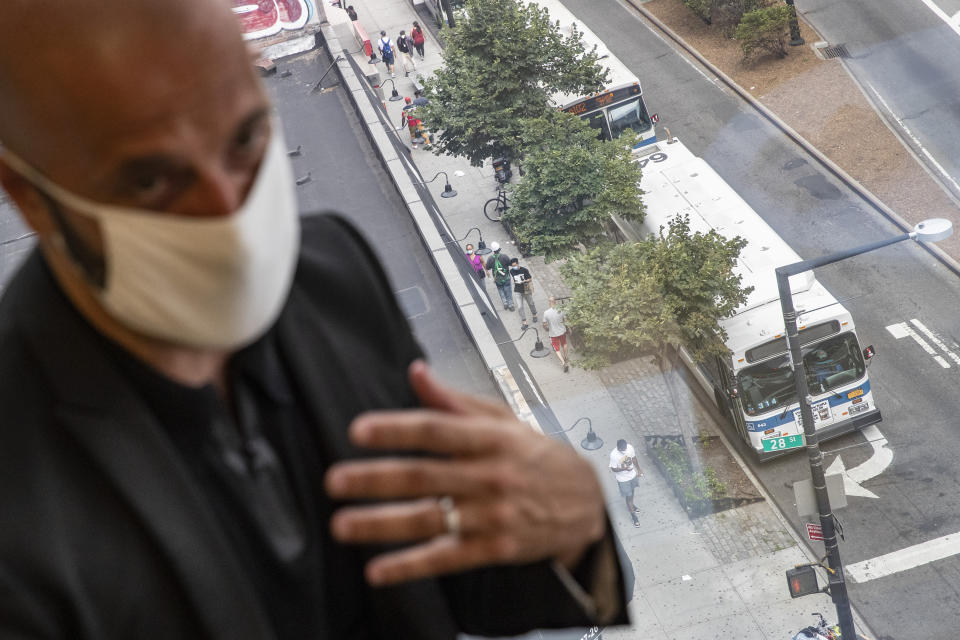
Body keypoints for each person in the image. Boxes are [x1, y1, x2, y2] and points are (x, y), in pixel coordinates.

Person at [0, 1, 630, 638]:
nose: (228, 215)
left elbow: (458, 582)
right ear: (29, 194)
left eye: (244, 137)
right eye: (149, 179)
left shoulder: (330, 273)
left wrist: (571, 528)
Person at [609, 440, 643, 527]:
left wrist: (639, 469)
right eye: (623, 449)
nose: (625, 450)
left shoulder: (629, 447)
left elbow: (634, 458)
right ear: (619, 448)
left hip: (632, 475)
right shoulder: (614, 455)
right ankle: (634, 517)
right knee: (628, 497)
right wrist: (624, 469)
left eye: (625, 448)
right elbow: (613, 469)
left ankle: (632, 505)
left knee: (632, 493)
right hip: (623, 479)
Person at [542, 296, 570, 372]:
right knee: (564, 344)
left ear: (549, 302)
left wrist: (546, 328)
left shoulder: (546, 313)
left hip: (553, 334)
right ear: (555, 302)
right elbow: (566, 320)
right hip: (562, 331)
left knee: (556, 349)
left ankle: (563, 362)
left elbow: (544, 324)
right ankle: (566, 357)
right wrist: (568, 328)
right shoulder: (561, 310)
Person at [509, 257, 537, 331]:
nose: (514, 267)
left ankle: (534, 314)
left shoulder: (524, 270)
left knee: (531, 303)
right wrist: (516, 281)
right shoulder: (511, 271)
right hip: (518, 290)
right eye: (512, 266)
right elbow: (514, 279)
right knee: (520, 307)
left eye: (515, 265)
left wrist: (525, 280)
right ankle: (524, 322)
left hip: (526, 289)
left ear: (518, 263)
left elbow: (530, 278)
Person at [485, 242, 514, 311]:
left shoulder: (490, 258)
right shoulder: (504, 256)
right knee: (508, 290)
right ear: (499, 249)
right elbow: (510, 264)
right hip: (506, 277)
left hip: (497, 278)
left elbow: (487, 267)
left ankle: (505, 303)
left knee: (500, 290)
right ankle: (511, 305)